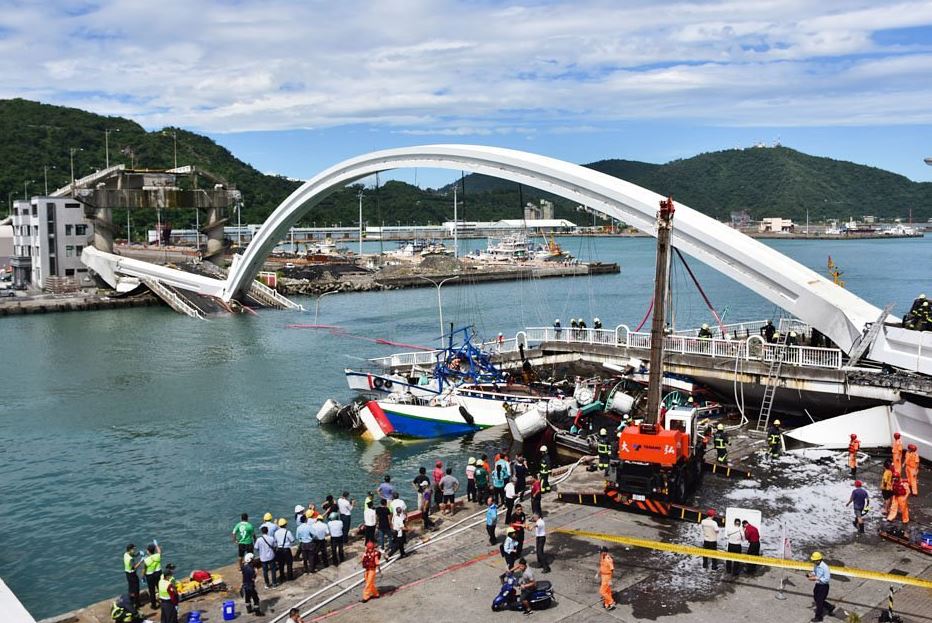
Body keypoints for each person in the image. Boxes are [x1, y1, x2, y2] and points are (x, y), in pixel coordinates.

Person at [806, 552, 835, 622]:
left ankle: (818, 617)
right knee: (816, 598)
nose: (813, 561)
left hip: (823, 587)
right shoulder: (816, 565)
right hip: (818, 585)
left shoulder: (825, 568)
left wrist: (815, 578)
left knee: (819, 602)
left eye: (814, 560)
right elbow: (815, 572)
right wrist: (810, 574)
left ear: (819, 560)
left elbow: (826, 579)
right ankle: (830, 607)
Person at [142, 543, 162, 610]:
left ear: (148, 551)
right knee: (160, 588)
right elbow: (159, 551)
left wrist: (143, 577)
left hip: (150, 576)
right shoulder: (157, 556)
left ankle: (154, 605)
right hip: (158, 573)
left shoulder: (146, 560)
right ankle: (163, 601)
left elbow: (144, 569)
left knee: (152, 591)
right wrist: (156, 545)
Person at [123, 544, 142, 609]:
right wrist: (141, 561)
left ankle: (130, 601)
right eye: (133, 549)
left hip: (127, 573)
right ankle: (137, 604)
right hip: (132, 574)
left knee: (130, 588)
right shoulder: (130, 559)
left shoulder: (126, 554)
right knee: (136, 589)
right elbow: (134, 567)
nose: (134, 550)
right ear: (130, 550)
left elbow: (133, 555)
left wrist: (138, 554)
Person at [598, 546, 616, 611]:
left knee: (602, 591)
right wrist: (598, 573)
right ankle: (607, 604)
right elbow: (601, 565)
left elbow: (612, 569)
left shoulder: (608, 560)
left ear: (605, 552)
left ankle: (611, 602)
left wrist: (610, 579)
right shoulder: (602, 556)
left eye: (601, 552)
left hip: (607, 577)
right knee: (607, 591)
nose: (600, 553)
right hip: (603, 575)